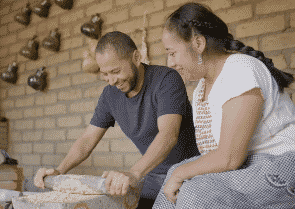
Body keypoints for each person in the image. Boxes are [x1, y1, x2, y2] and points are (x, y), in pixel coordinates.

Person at [34, 31, 200, 208]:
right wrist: (59, 170)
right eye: (105, 74)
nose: (111, 81)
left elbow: (168, 134)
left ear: (136, 57)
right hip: (151, 175)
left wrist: (134, 173)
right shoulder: (109, 95)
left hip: (190, 173)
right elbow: (87, 139)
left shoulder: (166, 79)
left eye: (115, 71)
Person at [153, 2, 295, 209]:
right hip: (249, 165)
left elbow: (229, 158)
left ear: (198, 44)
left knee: (194, 190)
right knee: (176, 171)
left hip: (280, 164)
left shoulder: (240, 70)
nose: (170, 63)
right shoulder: (202, 86)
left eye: (172, 53)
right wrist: (179, 173)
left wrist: (181, 174)